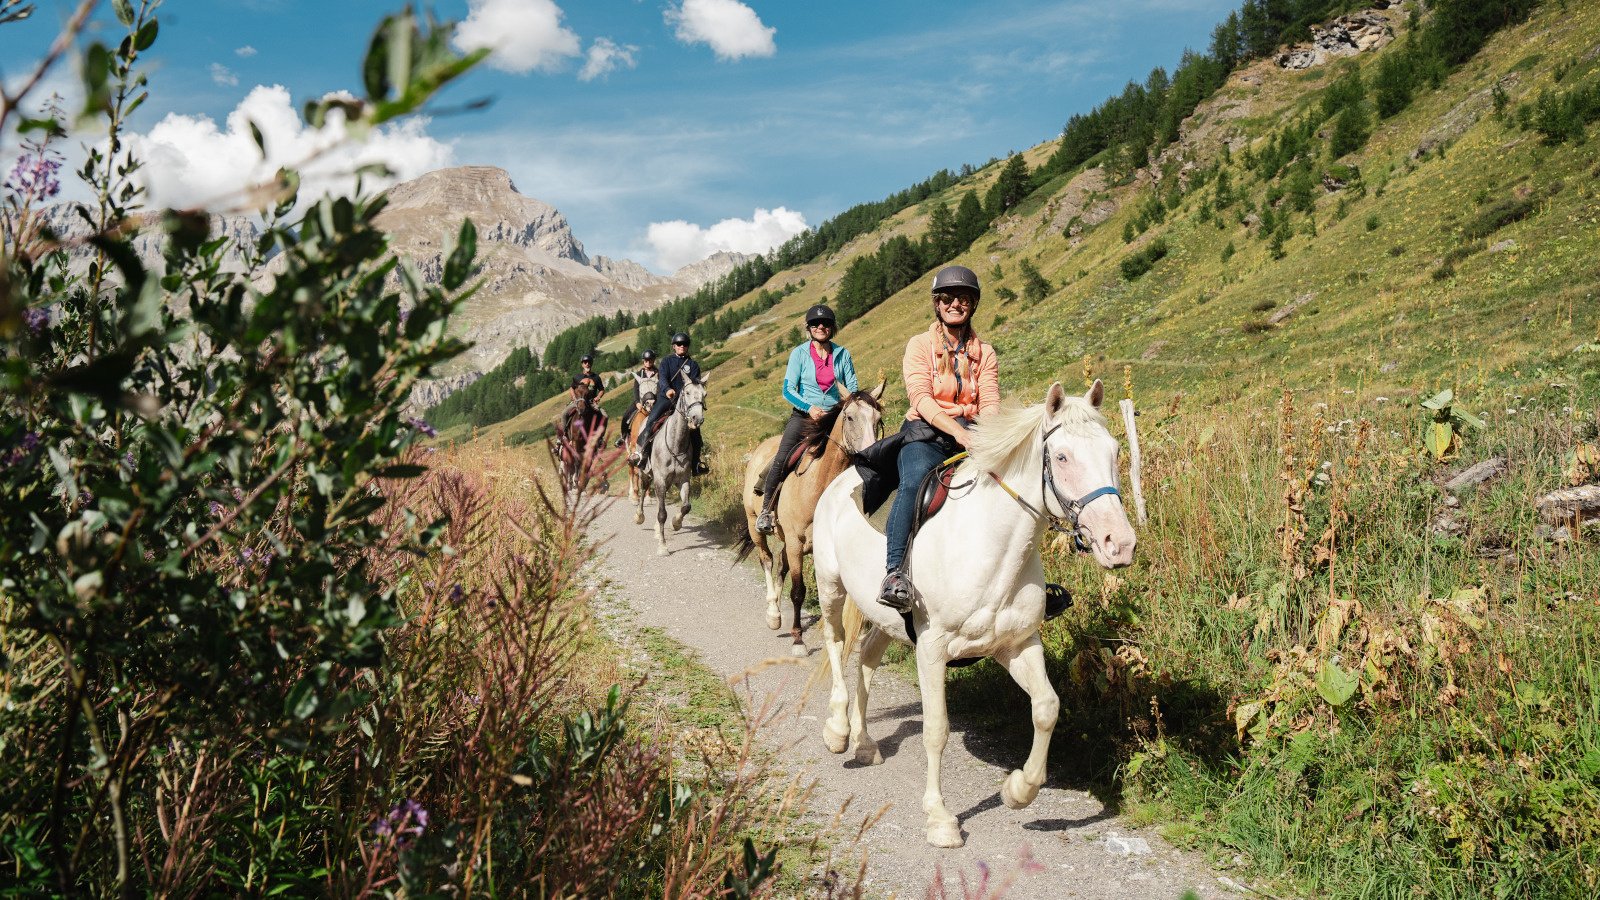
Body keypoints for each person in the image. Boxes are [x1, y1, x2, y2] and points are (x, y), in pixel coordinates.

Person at [857, 265, 999, 611]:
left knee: (1012, 480)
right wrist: (960, 433)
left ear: (973, 305)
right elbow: (921, 398)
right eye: (947, 298)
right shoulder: (919, 345)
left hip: (974, 433)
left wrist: (989, 436)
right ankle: (894, 572)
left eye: (963, 298)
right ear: (937, 304)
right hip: (926, 434)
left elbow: (990, 401)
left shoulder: (986, 353)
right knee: (914, 483)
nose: (955, 304)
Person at [754, 304, 858, 535]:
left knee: (860, 453)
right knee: (783, 457)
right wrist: (809, 407)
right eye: (815, 324)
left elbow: (852, 388)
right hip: (804, 417)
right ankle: (766, 510)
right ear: (809, 328)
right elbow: (788, 389)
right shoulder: (799, 354)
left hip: (834, 418)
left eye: (826, 324)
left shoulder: (843, 354)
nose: (820, 327)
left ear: (832, 328)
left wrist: (845, 408)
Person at [631, 332, 708, 475]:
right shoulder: (666, 361)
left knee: (696, 432)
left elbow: (696, 384)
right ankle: (641, 455)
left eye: (685, 344)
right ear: (674, 346)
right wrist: (667, 390)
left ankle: (696, 464)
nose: (682, 346)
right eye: (679, 344)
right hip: (667, 398)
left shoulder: (693, 364)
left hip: (685, 402)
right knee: (651, 422)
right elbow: (663, 378)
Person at [615, 348, 659, 447]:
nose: (648, 362)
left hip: (654, 401)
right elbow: (636, 390)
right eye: (646, 360)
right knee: (626, 416)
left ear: (653, 360)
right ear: (643, 361)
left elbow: (660, 388)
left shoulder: (658, 373)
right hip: (641, 401)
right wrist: (637, 402)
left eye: (650, 360)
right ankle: (624, 437)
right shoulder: (639, 374)